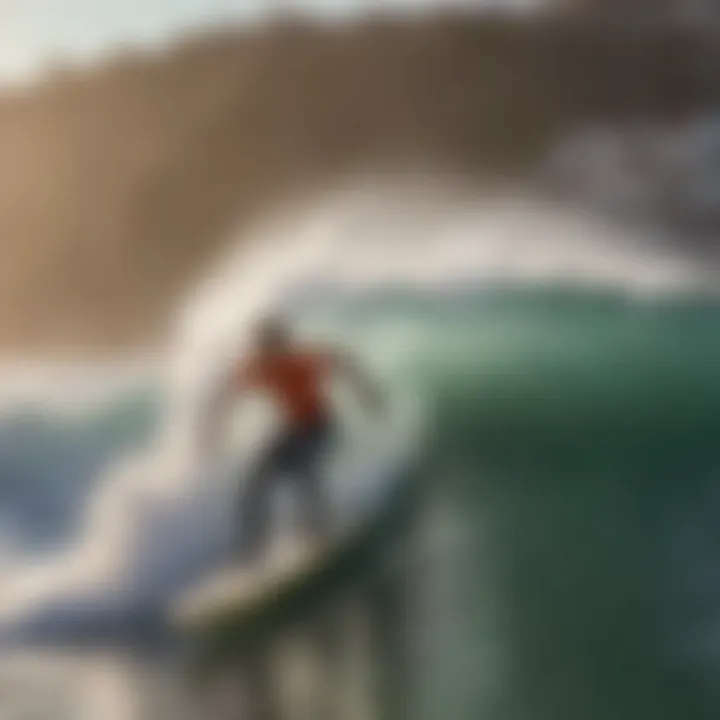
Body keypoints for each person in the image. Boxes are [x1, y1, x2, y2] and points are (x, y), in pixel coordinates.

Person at [202, 314, 385, 563]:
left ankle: (322, 528)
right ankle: (254, 548)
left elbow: (342, 362)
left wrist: (368, 393)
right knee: (254, 484)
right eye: (266, 345)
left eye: (274, 343)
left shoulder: (301, 359)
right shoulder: (260, 367)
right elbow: (229, 391)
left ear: (282, 342)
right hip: (292, 429)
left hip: (319, 426)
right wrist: (214, 425)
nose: (270, 350)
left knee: (302, 470)